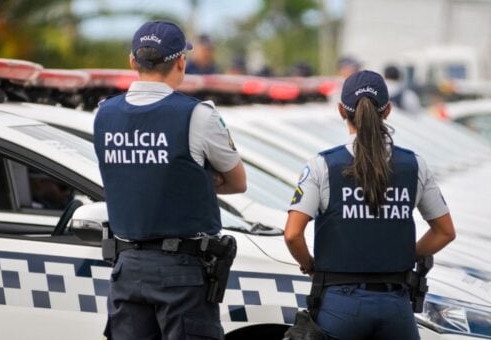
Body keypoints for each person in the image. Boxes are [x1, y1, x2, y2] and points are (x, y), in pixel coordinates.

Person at [93, 20, 247, 340]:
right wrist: (186, 179)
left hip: (126, 268)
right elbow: (238, 182)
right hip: (181, 273)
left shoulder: (103, 114)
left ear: (132, 61)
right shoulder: (198, 115)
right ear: (181, 62)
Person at [284, 70, 456, 339]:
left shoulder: (322, 165)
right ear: (387, 111)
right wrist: (402, 254)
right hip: (396, 306)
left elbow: (293, 234)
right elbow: (445, 231)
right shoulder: (414, 165)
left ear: (342, 111)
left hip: (339, 303)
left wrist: (310, 265)